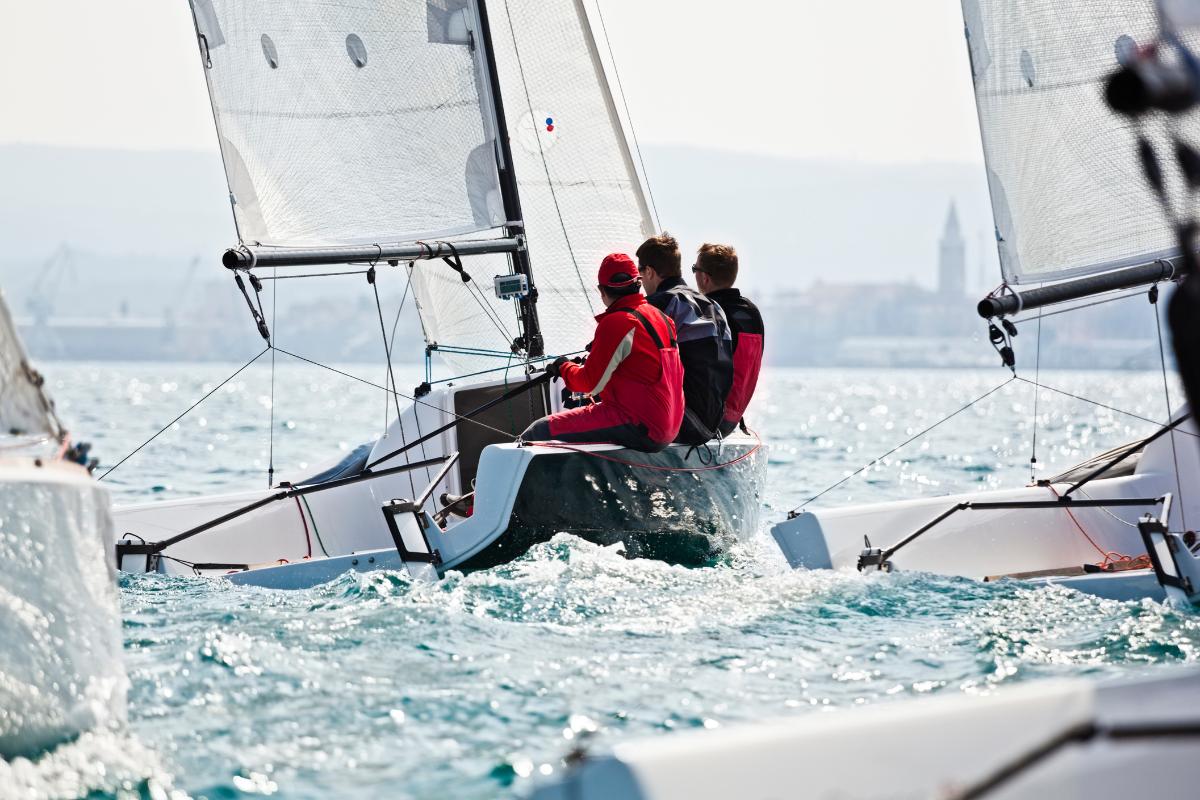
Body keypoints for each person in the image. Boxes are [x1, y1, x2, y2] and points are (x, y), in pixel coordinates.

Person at [520, 253, 684, 452]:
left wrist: (564, 367)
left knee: (538, 431)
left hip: (641, 425)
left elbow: (589, 384)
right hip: (671, 426)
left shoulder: (617, 322)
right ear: (638, 284)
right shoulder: (662, 318)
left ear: (601, 291)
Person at [635, 233, 733, 444]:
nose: (639, 281)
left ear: (649, 272)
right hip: (712, 424)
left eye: (639, 273)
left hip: (683, 423)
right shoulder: (714, 306)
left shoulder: (659, 304)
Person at [691, 244, 765, 436]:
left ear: (705, 278)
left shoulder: (708, 312)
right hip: (731, 420)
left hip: (708, 421)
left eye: (694, 269)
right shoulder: (751, 312)